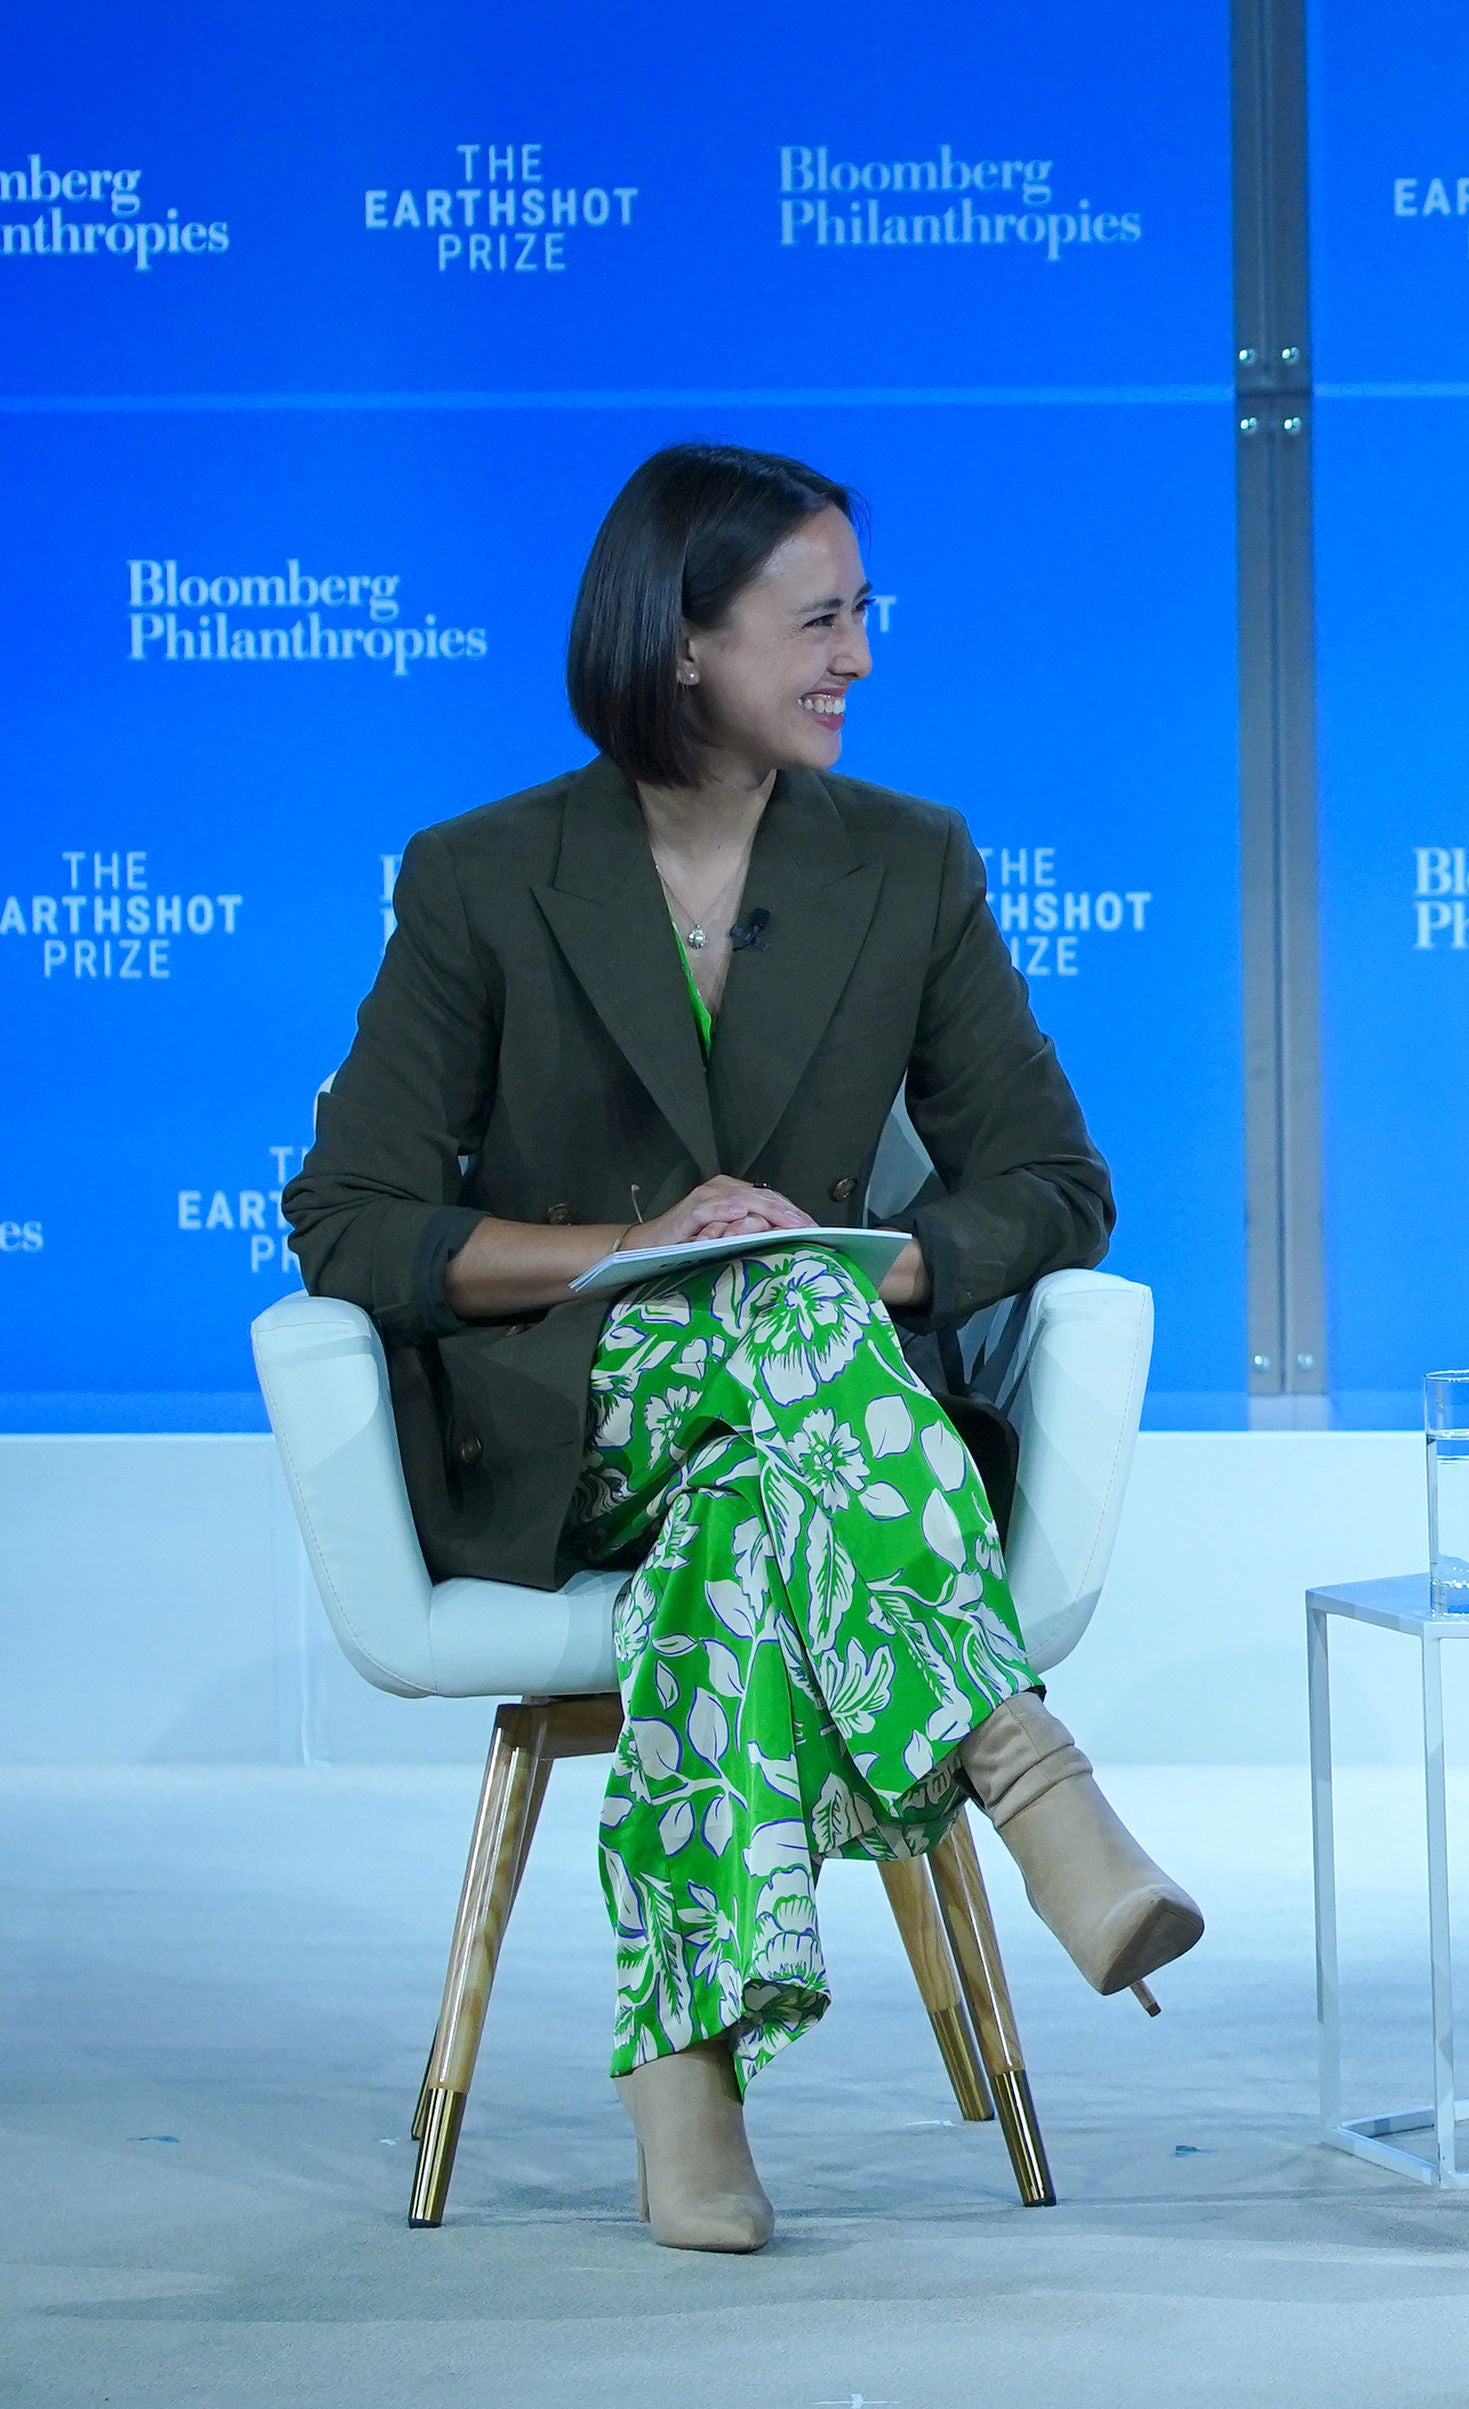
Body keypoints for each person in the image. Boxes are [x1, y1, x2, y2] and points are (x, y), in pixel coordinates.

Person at [285, 443, 1202, 2254]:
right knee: (749, 1310)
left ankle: (686, 2094)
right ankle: (1021, 1770)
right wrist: (636, 1251)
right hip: (567, 1426)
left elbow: (1057, 1183)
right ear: (684, 641)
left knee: (752, 1476)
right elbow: (352, 1218)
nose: (858, 655)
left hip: (800, 1440)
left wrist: (881, 1273)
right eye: (818, 621)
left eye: (862, 613)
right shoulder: (480, 878)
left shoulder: (909, 865)